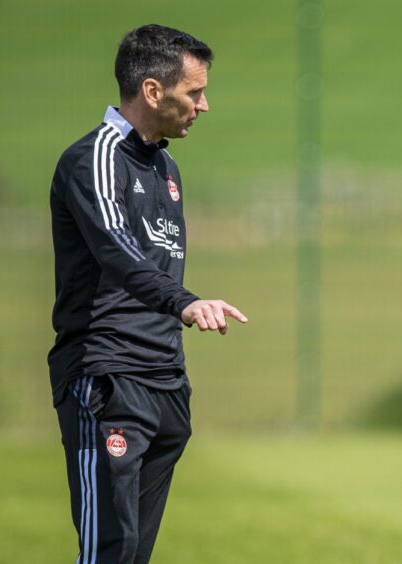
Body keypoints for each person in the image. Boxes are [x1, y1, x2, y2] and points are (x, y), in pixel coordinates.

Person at [49, 24, 247, 563]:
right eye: (195, 92)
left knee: (135, 553)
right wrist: (185, 301)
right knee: (110, 550)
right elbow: (115, 248)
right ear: (154, 91)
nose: (204, 105)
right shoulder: (93, 158)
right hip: (107, 375)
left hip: (164, 381)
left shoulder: (165, 164)